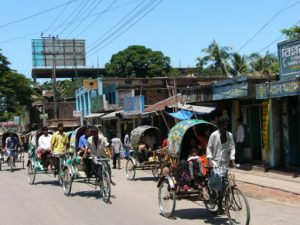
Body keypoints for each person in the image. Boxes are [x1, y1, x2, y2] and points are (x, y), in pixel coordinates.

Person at [206, 116, 236, 213]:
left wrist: (233, 159)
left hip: (225, 163)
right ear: (219, 125)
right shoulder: (214, 135)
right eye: (223, 125)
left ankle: (219, 204)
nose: (225, 126)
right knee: (218, 182)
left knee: (224, 185)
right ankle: (213, 195)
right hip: (215, 162)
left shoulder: (230, 135)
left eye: (226, 125)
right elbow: (209, 148)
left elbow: (232, 148)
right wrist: (209, 160)